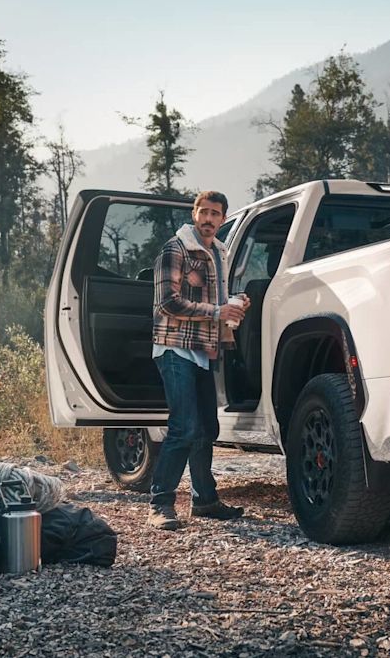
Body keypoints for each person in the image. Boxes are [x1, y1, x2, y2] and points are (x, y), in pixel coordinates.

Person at [147, 190, 250, 530]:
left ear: (223, 219)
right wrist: (219, 311)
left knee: (208, 428)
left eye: (215, 214)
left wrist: (233, 304)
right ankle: (159, 505)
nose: (208, 219)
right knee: (184, 428)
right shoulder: (174, 249)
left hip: (203, 350)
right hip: (175, 347)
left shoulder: (218, 252)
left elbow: (215, 301)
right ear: (194, 214)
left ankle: (204, 501)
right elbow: (167, 304)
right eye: (203, 212)